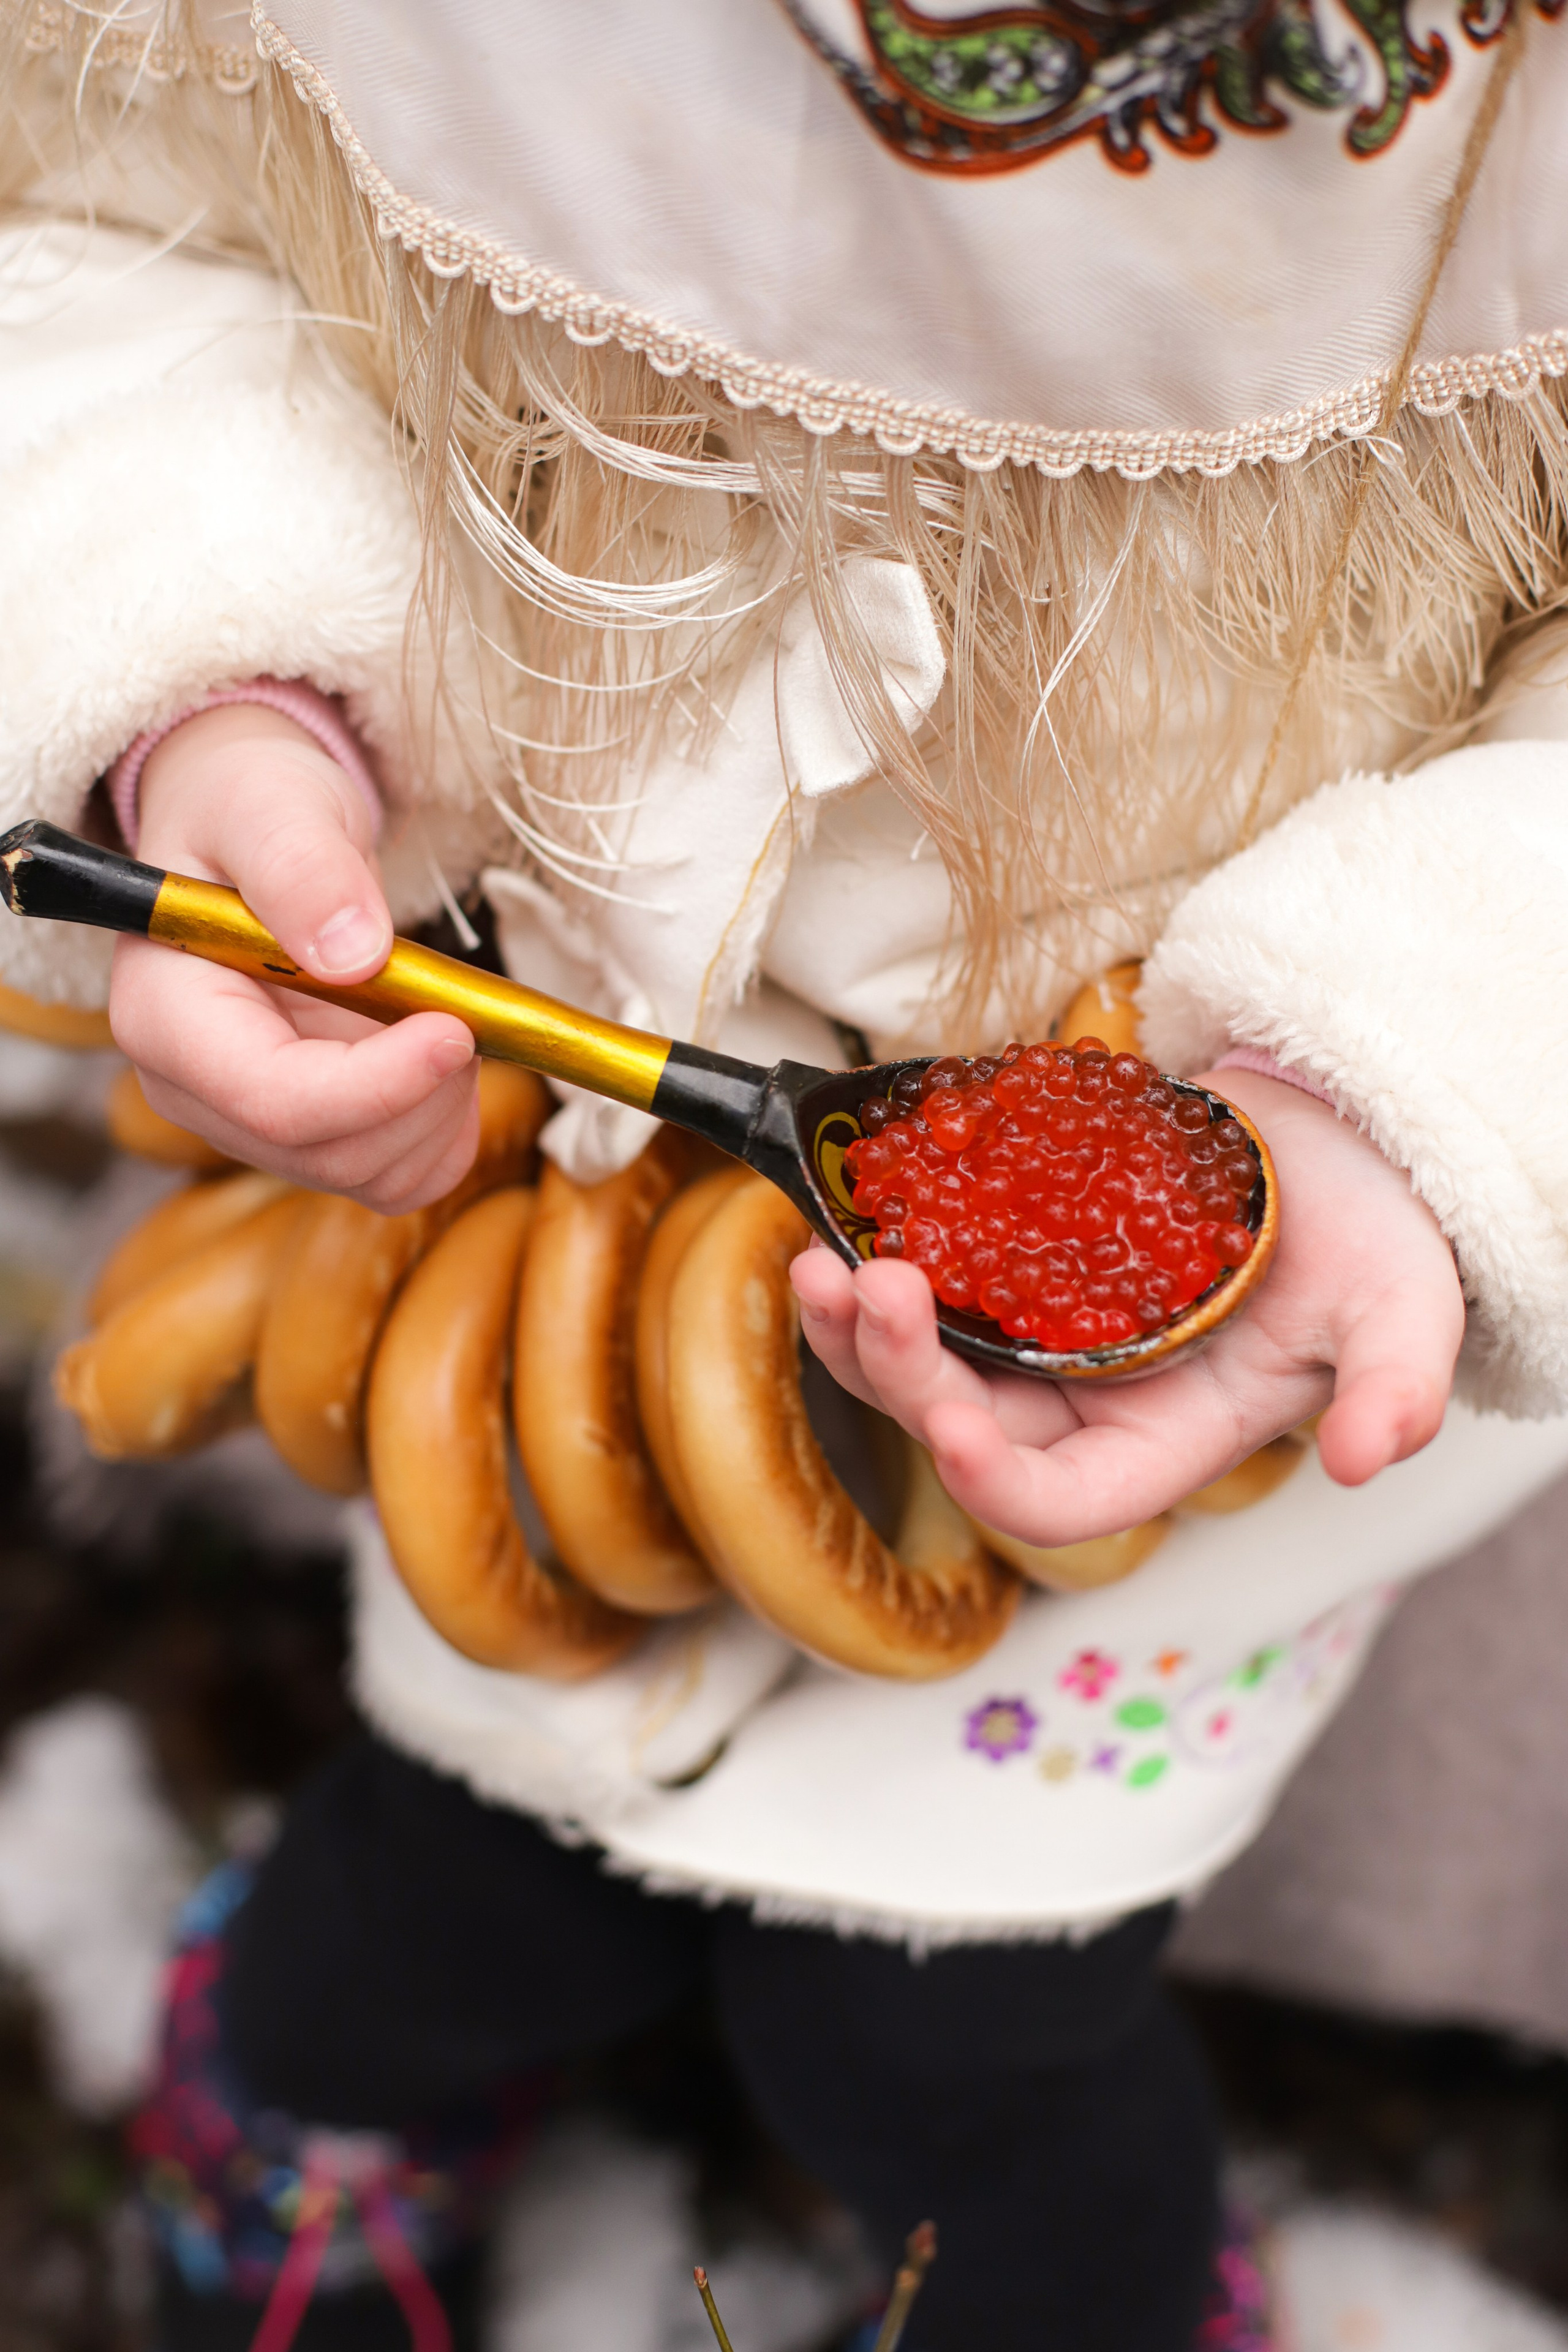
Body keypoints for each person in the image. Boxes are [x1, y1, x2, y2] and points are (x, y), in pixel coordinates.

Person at [5, 5, 1568, 2347]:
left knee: (959, 2014)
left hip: (1263, 1255)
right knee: (473, 1855)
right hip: (543, 1178)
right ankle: (311, 2099)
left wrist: (1433, 1051)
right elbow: (104, 223)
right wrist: (218, 695)